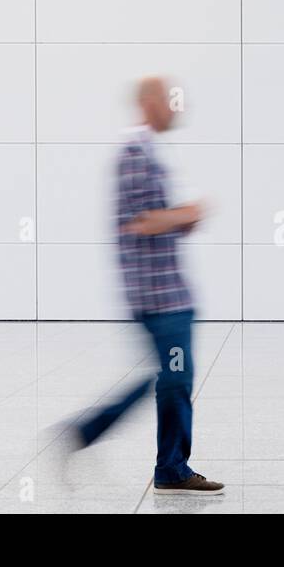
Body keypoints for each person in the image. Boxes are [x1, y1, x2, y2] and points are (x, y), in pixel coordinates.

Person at [65, 76, 223, 495]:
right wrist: (186, 212)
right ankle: (159, 464)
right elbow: (142, 222)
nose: (177, 108)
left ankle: (159, 461)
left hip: (169, 292)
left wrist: (182, 220)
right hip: (158, 298)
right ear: (149, 103)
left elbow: (155, 221)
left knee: (172, 376)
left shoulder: (150, 150)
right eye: (170, 100)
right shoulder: (136, 153)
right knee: (174, 376)